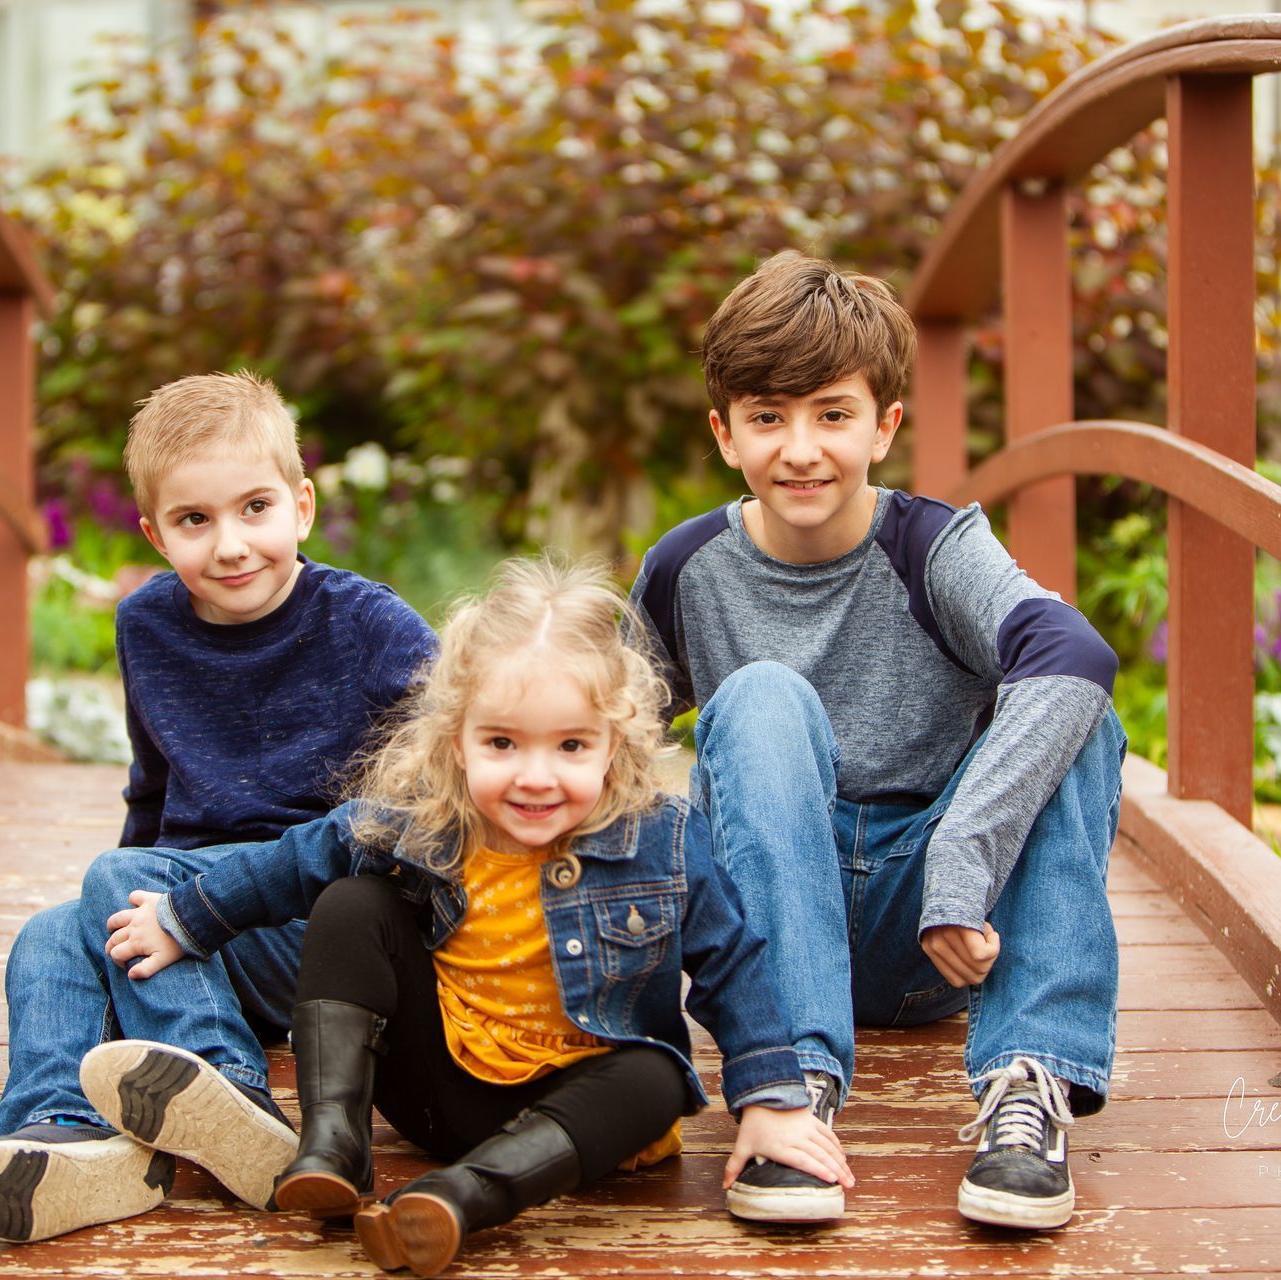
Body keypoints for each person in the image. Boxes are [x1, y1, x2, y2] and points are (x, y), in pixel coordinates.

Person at [87, 557, 852, 1277]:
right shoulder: (423, 821)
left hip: (582, 1114)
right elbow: (291, 863)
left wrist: (772, 1100)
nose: (534, 776)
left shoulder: (660, 837)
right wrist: (184, 918)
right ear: (455, 741)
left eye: (571, 746)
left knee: (659, 1074)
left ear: (614, 747)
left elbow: (733, 964)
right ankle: (333, 1144)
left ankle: (460, 1199)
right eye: (501, 743)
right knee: (352, 902)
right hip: (438, 1092)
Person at [626, 250, 1125, 1231]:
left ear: (885, 424)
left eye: (832, 413)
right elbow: (600, 738)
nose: (801, 448)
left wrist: (963, 852)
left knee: (1079, 710)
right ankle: (790, 1091)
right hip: (762, 929)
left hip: (935, 927)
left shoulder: (932, 546)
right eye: (768, 417)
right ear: (725, 432)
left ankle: (1031, 1082)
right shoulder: (688, 568)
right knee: (762, 696)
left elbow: (1072, 649)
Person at [0, 371, 438, 1243]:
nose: (231, 544)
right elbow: (153, 785)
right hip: (191, 921)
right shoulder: (148, 624)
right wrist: (121, 905)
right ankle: (64, 1136)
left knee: (115, 880)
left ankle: (227, 1085)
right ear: (153, 532)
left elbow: (432, 793)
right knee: (52, 935)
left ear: (303, 506)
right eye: (194, 521)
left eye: (255, 508)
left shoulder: (369, 624)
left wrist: (136, 887)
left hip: (319, 919)